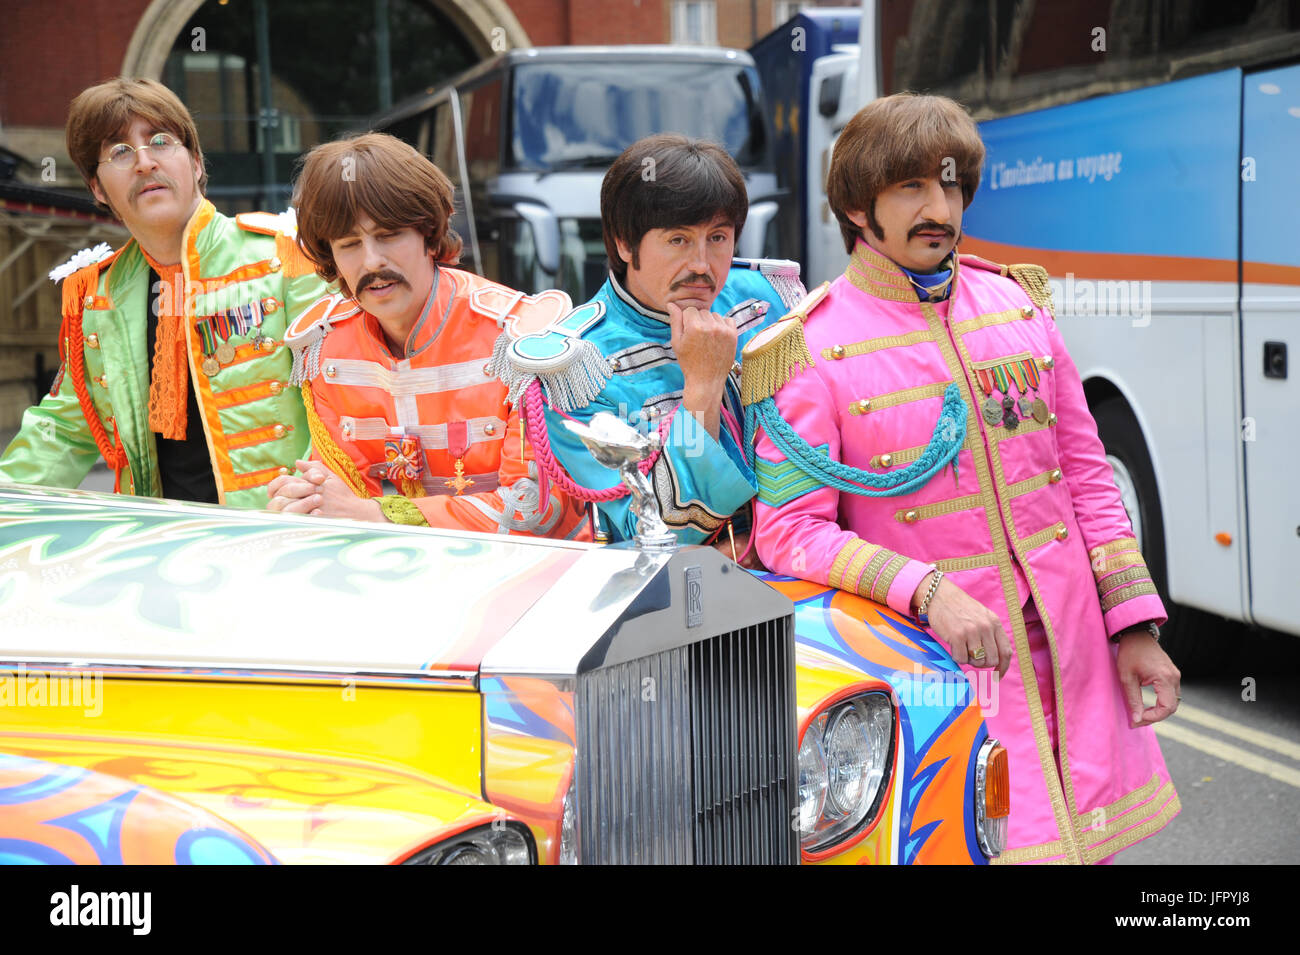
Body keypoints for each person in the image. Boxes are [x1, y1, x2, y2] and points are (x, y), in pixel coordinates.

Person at [744, 92, 1180, 863]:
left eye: (951, 186)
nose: (938, 208)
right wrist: (927, 589)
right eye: (911, 187)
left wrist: (1134, 625)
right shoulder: (807, 348)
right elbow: (788, 533)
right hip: (945, 672)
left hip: (1075, 657)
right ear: (856, 204)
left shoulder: (1017, 306)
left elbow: (1085, 477)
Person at [0, 79, 328, 507]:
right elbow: (63, 429)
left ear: (195, 163)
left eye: (160, 141)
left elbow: (342, 401)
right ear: (98, 189)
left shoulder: (285, 256)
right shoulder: (98, 296)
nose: (144, 163)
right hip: (161, 547)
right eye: (119, 151)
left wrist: (312, 498)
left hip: (282, 533)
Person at [266, 133, 586, 538]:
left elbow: (537, 510)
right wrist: (307, 502)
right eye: (348, 244)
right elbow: (342, 496)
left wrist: (378, 514)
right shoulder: (324, 346)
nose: (372, 261)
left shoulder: (524, 339)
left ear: (429, 234)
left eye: (388, 235)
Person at [492, 133, 804, 549]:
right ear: (623, 242)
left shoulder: (770, 298)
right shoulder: (574, 368)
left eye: (718, 238)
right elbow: (658, 530)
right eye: (678, 239)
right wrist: (703, 387)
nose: (701, 265)